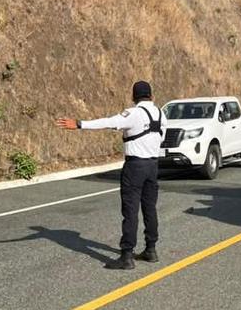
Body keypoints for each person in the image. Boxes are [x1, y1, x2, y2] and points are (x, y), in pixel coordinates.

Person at [55, 81, 167, 270]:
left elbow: (108, 122)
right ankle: (151, 249)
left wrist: (80, 124)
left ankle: (127, 255)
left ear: (134, 97)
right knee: (150, 208)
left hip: (135, 166)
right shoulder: (161, 114)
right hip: (153, 166)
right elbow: (160, 138)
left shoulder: (133, 113)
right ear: (151, 96)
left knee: (130, 211)